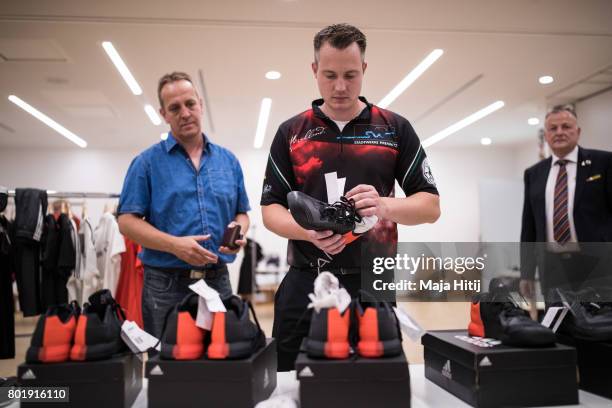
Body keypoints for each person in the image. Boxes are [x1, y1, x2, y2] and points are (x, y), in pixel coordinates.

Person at [260, 24, 441, 371]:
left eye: (350, 75)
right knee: (291, 379)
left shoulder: (394, 128)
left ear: (364, 70)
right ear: (314, 70)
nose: (340, 86)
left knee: (375, 383)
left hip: (373, 283)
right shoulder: (291, 133)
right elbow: (271, 209)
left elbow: (430, 206)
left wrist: (385, 205)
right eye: (329, 75)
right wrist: (308, 233)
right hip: (305, 281)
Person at [117, 71, 250, 338]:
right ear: (163, 114)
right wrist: (173, 245)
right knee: (167, 367)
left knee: (223, 356)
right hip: (165, 284)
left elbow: (242, 212)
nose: (185, 113)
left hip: (217, 278)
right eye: (174, 108)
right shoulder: (146, 164)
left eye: (190, 104)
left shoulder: (229, 161)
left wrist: (237, 231)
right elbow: (126, 222)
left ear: (201, 104)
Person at [520, 105, 612, 301]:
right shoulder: (534, 173)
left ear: (577, 131)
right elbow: (529, 227)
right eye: (553, 128)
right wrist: (526, 273)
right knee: (556, 327)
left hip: (599, 267)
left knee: (600, 328)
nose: (559, 132)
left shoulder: (604, 163)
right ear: (546, 135)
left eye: (566, 126)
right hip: (553, 270)